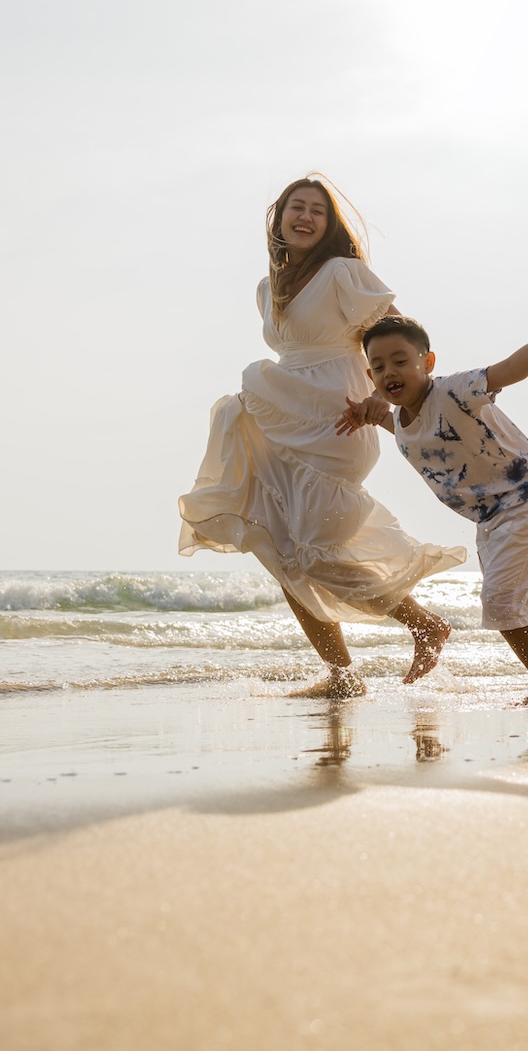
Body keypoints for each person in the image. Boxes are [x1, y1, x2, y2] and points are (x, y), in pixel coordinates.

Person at [179, 176, 464, 696]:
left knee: (314, 555)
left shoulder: (342, 272)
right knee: (283, 556)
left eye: (317, 210)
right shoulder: (267, 287)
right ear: (280, 217)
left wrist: (383, 394)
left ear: (329, 224)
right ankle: (341, 676)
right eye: (297, 207)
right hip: (281, 417)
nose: (306, 217)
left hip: (338, 418)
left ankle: (424, 624)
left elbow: (395, 332)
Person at [335, 312, 528, 703]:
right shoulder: (402, 422)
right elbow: (421, 434)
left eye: (400, 361)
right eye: (378, 367)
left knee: (500, 600)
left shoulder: (454, 390)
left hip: (527, 496)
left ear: (427, 363)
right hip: (490, 517)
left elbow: (509, 371)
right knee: (518, 600)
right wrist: (372, 415)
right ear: (370, 377)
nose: (389, 372)